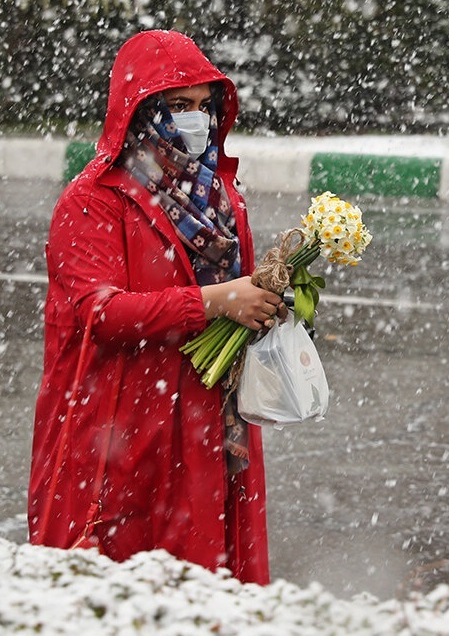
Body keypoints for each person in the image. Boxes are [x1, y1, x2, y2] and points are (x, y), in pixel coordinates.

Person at [27, 30, 286, 584]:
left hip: (206, 423)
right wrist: (218, 301)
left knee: (204, 586)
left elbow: (238, 296)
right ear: (141, 110)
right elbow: (103, 315)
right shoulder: (94, 200)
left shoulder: (218, 196)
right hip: (119, 434)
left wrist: (268, 301)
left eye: (202, 106)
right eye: (177, 106)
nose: (195, 120)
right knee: (121, 587)